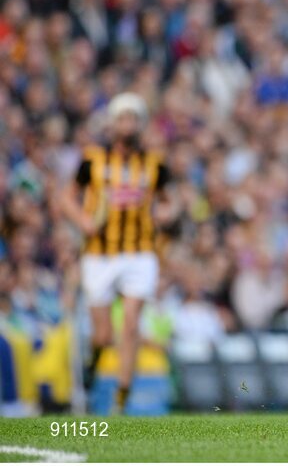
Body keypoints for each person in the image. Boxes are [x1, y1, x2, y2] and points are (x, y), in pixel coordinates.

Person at [60, 93, 180, 413]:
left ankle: (121, 398)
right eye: (122, 119)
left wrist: (167, 212)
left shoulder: (154, 163)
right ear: (113, 124)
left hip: (139, 251)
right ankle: (94, 361)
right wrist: (82, 220)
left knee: (130, 322)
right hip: (99, 253)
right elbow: (67, 197)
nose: (128, 125)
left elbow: (171, 200)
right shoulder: (93, 160)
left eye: (133, 119)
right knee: (102, 334)